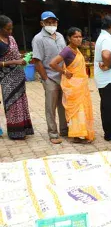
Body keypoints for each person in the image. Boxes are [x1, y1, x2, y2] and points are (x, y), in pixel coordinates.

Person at [49, 27, 95, 143]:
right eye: (75, 37)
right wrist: (64, 71)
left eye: (80, 37)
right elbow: (52, 63)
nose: (79, 39)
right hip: (73, 87)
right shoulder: (67, 50)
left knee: (82, 110)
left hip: (81, 86)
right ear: (69, 38)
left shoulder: (77, 50)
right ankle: (76, 136)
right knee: (76, 111)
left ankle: (82, 133)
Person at [32, 11, 67, 144]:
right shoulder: (38, 38)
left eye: (54, 22)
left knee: (63, 105)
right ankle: (53, 133)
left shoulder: (60, 36)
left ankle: (64, 130)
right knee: (50, 107)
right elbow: (37, 60)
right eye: (48, 22)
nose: (52, 24)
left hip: (62, 76)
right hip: (50, 77)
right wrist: (45, 78)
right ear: (42, 23)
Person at [0, 15, 34, 140]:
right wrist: (13, 62)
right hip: (6, 77)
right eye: (7, 29)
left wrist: (23, 57)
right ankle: (15, 132)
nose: (10, 31)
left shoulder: (12, 39)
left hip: (18, 74)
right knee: (11, 103)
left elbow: (16, 54)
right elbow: (7, 60)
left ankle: (24, 129)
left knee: (21, 101)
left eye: (11, 28)